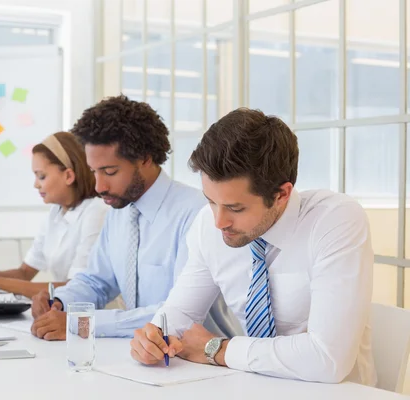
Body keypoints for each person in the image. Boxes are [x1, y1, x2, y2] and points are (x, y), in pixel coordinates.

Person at [130, 108, 377, 386]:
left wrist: (217, 349)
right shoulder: (206, 226)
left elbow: (327, 360)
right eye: (210, 201)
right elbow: (180, 316)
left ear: (282, 194)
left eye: (235, 207)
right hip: (252, 386)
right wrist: (152, 338)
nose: (218, 221)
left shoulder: (335, 220)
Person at [30, 95, 239, 340]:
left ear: (145, 159)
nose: (99, 186)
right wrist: (60, 302)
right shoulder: (119, 212)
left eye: (109, 171)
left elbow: (179, 315)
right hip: (142, 357)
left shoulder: (197, 214)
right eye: (93, 172)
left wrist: (83, 322)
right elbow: (97, 281)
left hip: (201, 363)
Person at [0, 132, 108, 298]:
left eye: (41, 176)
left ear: (68, 175)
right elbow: (24, 273)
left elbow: (75, 288)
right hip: (66, 312)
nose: (36, 184)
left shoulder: (96, 212)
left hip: (93, 315)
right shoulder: (55, 213)